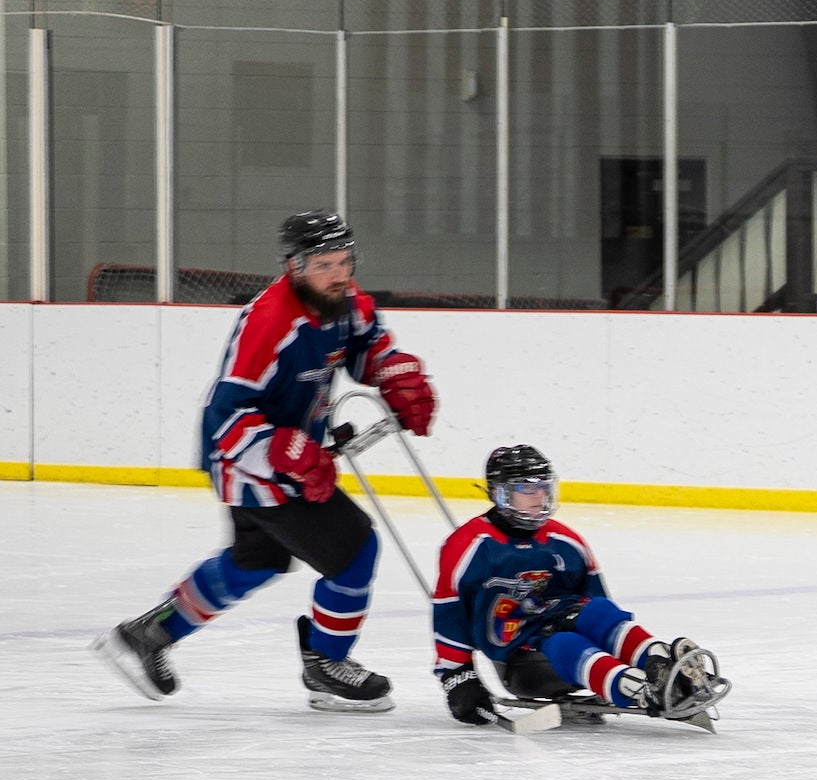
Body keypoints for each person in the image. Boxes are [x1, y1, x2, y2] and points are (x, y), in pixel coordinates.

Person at [94, 211, 435, 712]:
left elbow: (365, 347)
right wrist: (286, 452)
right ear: (294, 266)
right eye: (324, 264)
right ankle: (326, 662)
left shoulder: (346, 302)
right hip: (249, 463)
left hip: (290, 455)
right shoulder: (270, 323)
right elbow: (224, 417)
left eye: (345, 261)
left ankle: (149, 634)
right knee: (354, 550)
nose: (338, 274)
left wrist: (396, 374)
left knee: (257, 561)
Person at [430, 445, 728, 727]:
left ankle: (664, 665)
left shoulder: (565, 541)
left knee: (598, 611)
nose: (539, 496)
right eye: (527, 488)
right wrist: (457, 676)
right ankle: (642, 691)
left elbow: (600, 610)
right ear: (501, 493)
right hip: (521, 662)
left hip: (561, 629)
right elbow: (450, 616)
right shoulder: (468, 547)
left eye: (544, 487)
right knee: (567, 643)